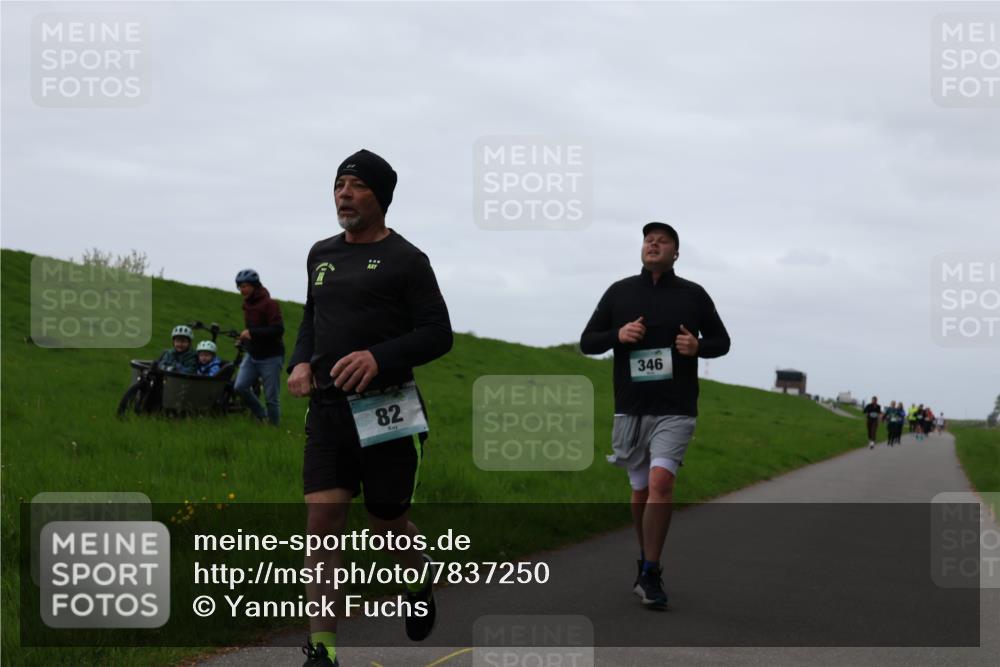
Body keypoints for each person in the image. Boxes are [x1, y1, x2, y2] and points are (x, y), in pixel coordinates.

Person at [287, 149, 453, 666]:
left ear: (380, 197)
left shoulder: (408, 260)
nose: (343, 193)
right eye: (339, 184)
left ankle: (420, 576)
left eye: (356, 185)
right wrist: (299, 362)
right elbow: (312, 318)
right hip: (329, 409)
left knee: (386, 521)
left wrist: (378, 357)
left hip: (388, 409)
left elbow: (437, 334)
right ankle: (322, 648)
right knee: (322, 519)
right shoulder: (321, 253)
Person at [580, 221, 731, 610]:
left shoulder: (694, 295)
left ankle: (650, 568)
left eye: (663, 240)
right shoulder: (620, 291)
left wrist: (697, 346)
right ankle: (645, 555)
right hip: (631, 407)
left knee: (661, 483)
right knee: (641, 490)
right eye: (649, 239)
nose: (653, 243)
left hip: (676, 408)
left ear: (676, 253)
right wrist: (618, 335)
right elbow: (587, 341)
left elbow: (723, 342)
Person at [233, 268, 285, 425]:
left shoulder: (270, 304)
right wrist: (243, 341)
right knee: (240, 387)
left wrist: (251, 333)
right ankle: (262, 416)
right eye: (240, 286)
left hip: (271, 357)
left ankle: (274, 429)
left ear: (255, 285)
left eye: (245, 286)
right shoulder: (247, 305)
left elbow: (278, 330)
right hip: (253, 355)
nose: (242, 290)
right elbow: (253, 331)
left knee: (271, 398)